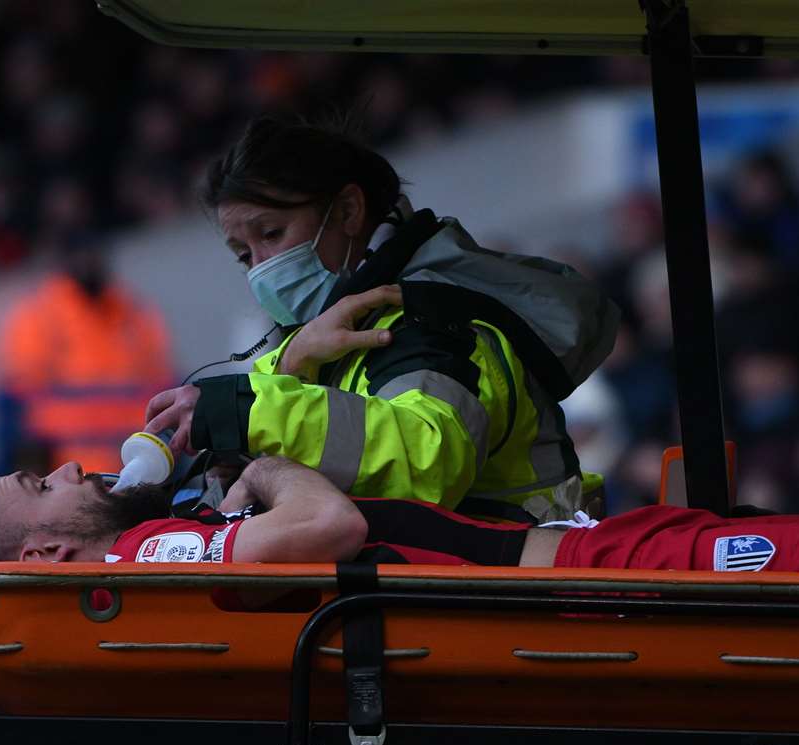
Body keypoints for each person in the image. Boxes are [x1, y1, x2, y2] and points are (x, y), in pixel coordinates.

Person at [143, 115, 621, 523]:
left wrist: (244, 411)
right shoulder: (327, 334)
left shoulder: (431, 321)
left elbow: (424, 464)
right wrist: (291, 367)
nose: (262, 266)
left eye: (271, 232)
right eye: (244, 255)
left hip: (520, 599)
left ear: (349, 210)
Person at [0, 457, 799, 582]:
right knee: (768, 553)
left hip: (558, 555)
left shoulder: (147, 540)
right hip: (560, 577)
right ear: (43, 551)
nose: (65, 468)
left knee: (748, 533)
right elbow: (321, 535)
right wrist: (269, 468)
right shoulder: (144, 551)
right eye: (34, 485)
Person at [0, 242, 173, 473]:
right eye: (81, 257)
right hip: (63, 449)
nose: (89, 264)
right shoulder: (40, 313)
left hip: (131, 443)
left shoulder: (133, 310)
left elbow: (159, 374)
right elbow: (22, 382)